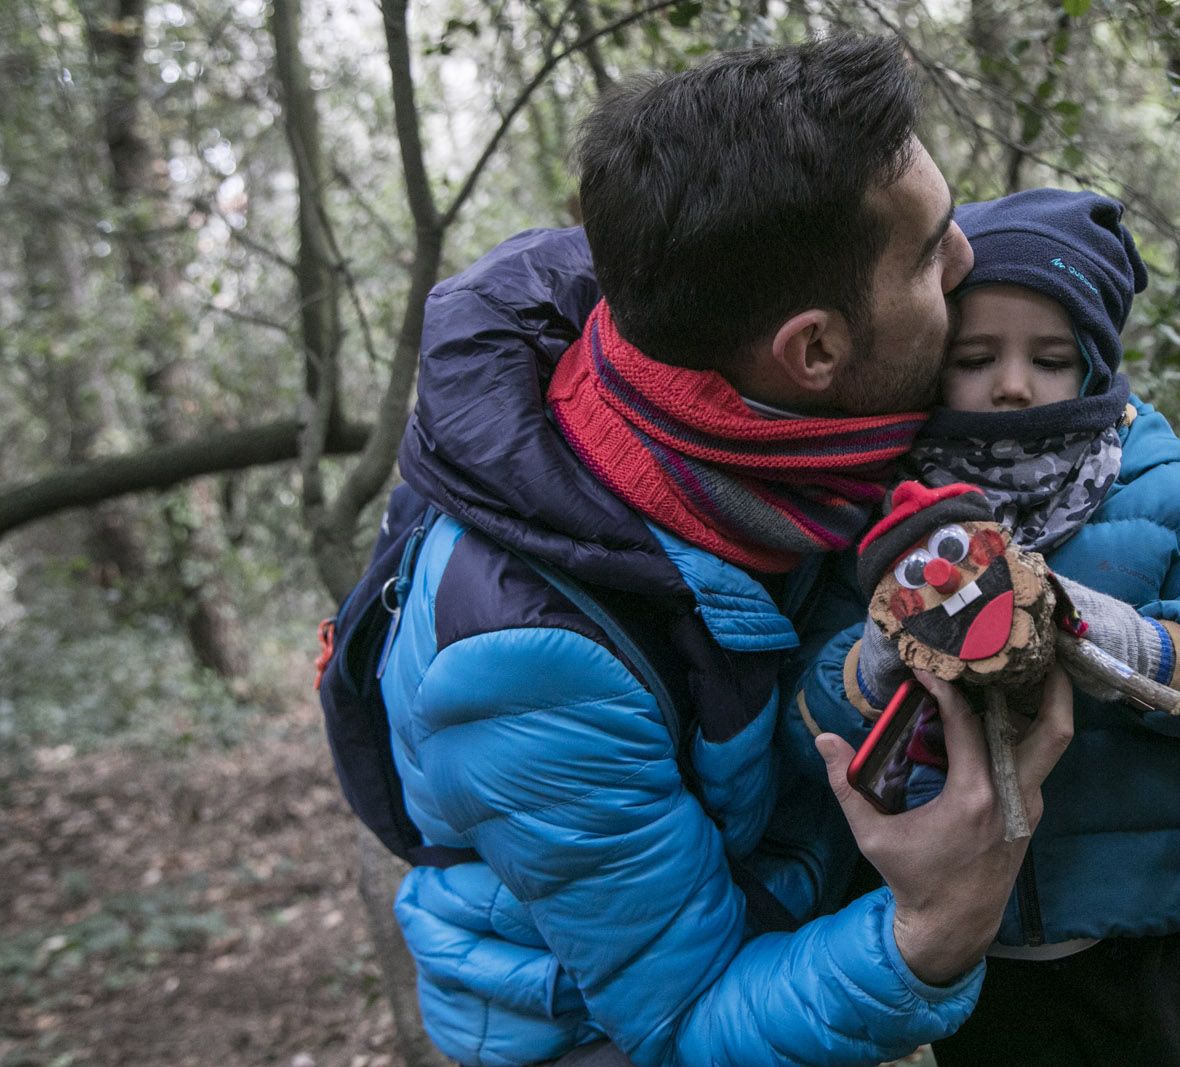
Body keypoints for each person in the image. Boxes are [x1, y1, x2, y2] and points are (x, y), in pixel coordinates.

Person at [379, 35, 1080, 1067]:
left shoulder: (742, 354)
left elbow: (1068, 431)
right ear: (815, 349)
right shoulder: (531, 660)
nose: (968, 261)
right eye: (930, 252)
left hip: (788, 898)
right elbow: (683, 1023)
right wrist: (930, 932)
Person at [807, 188, 1180, 1065]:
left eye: (1050, 357)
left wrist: (1135, 646)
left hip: (1157, 943)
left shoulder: (1162, 490)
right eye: (976, 355)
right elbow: (807, 702)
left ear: (1092, 364)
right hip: (986, 954)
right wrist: (877, 660)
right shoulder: (889, 516)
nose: (1012, 383)